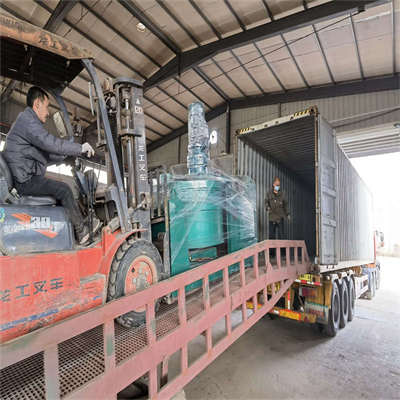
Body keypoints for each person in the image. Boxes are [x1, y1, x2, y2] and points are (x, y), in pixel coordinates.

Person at [3, 86, 99, 245]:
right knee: (64, 189)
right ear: (37, 104)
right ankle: (82, 232)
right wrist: (79, 148)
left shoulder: (27, 123)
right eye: (47, 107)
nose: (48, 113)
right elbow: (50, 143)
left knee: (61, 190)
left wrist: (65, 158)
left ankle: (70, 232)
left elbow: (43, 156)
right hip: (24, 182)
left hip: (22, 177)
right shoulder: (27, 121)